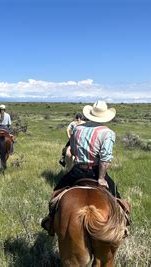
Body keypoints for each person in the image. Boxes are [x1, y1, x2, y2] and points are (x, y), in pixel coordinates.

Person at [41, 100, 130, 234]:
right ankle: (123, 227)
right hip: (95, 172)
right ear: (105, 116)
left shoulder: (77, 129)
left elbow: (74, 151)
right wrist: (101, 178)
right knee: (118, 200)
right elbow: (105, 159)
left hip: (77, 171)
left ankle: (51, 222)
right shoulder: (108, 133)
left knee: (56, 194)